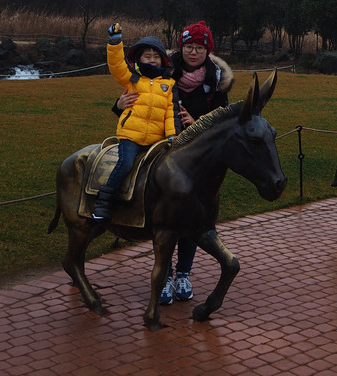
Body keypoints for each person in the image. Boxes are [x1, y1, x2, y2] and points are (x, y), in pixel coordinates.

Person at [113, 20, 233, 305]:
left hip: (199, 163)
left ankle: (183, 274)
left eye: (200, 48)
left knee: (191, 219)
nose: (194, 52)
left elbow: (224, 123)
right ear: (182, 47)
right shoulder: (162, 70)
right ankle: (164, 274)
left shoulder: (216, 83)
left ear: (208, 50)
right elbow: (137, 105)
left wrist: (199, 122)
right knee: (164, 217)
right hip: (162, 149)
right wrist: (118, 105)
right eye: (189, 46)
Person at [92, 23, 176, 223]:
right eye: (147, 56)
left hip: (156, 139)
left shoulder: (168, 85)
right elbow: (117, 66)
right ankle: (104, 201)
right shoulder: (132, 79)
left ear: (162, 60)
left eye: (156, 57)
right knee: (126, 163)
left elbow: (169, 112)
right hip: (131, 135)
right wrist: (115, 43)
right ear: (138, 59)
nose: (152, 60)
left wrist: (172, 135)